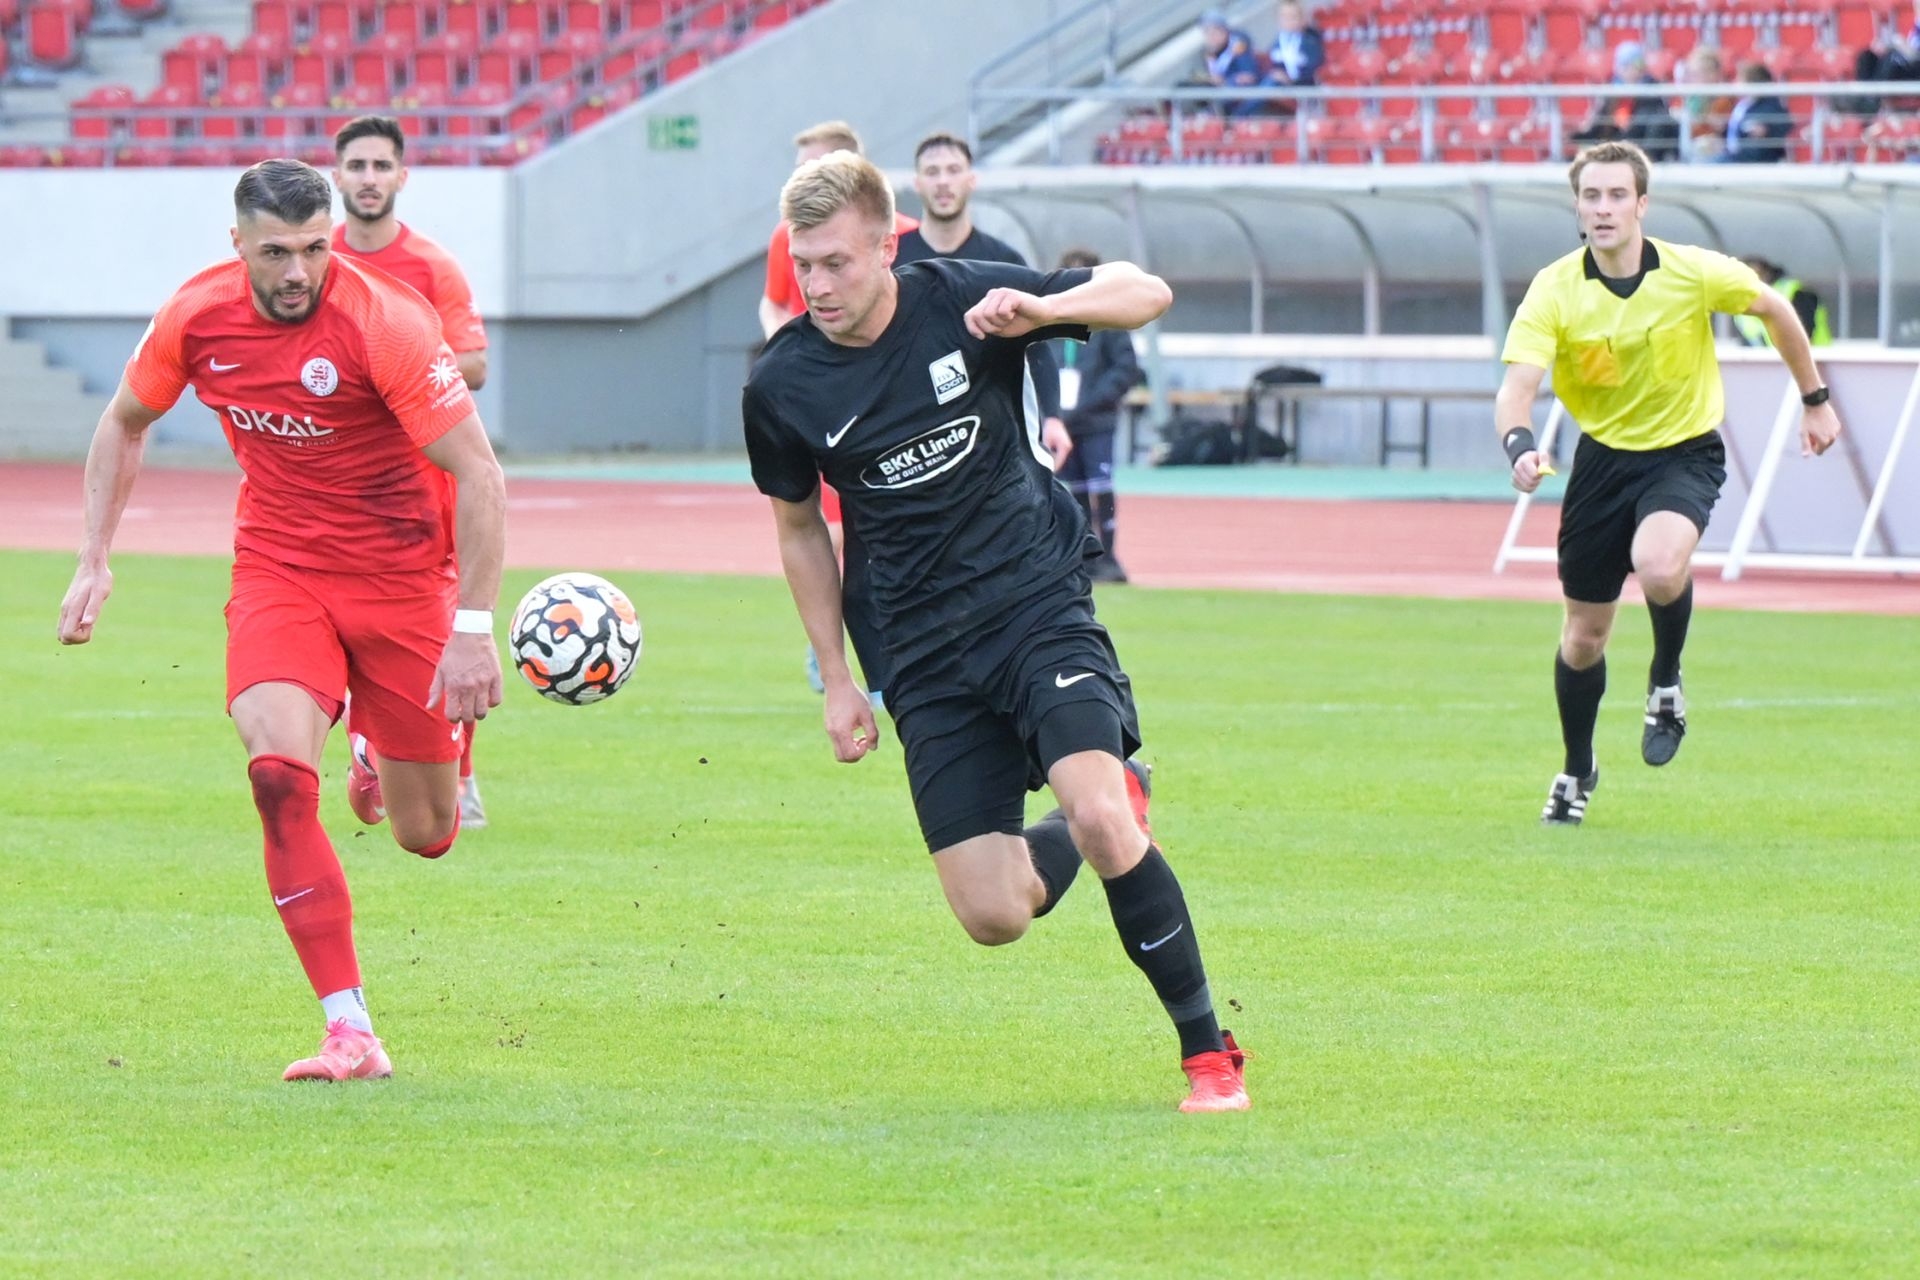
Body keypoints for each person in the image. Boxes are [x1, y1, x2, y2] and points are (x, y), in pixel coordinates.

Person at [743, 151, 1247, 1112]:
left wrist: (1045, 313)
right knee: (993, 913)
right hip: (919, 652)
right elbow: (799, 527)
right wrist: (838, 677)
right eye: (802, 264)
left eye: (836, 262)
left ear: (885, 246)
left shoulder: (965, 295)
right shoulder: (783, 384)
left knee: (1096, 817)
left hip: (1034, 605)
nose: (816, 285)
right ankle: (1121, 801)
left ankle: (1207, 1054)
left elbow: (1145, 292)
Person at [57, 158, 507, 1078]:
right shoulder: (195, 314)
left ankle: (390, 749)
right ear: (239, 246)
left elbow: (480, 474)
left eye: (312, 247)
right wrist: (94, 558)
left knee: (426, 834)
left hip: (402, 578)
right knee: (274, 775)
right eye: (276, 252)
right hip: (281, 569)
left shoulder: (386, 321)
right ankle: (351, 1029)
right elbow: (123, 421)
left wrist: (471, 631)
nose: (298, 270)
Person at [1497, 141, 1841, 825]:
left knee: (1658, 565)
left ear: (1641, 204)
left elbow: (1775, 309)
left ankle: (1665, 682)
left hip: (1683, 452)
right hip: (1600, 462)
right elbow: (1517, 387)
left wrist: (1815, 398)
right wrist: (1521, 446)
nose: (1604, 209)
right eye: (1591, 196)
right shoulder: (1556, 287)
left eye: (1617, 195)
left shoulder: (1691, 271)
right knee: (1583, 637)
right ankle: (1577, 768)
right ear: (1577, 206)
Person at [329, 114, 495, 829]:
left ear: (402, 177)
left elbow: (476, 364)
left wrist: (389, 372)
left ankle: (459, 774)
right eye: (356, 166)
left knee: (449, 625)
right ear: (336, 176)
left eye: (380, 166)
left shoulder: (432, 267)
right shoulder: (312, 259)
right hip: (334, 486)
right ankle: (370, 739)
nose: (368, 178)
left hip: (427, 485)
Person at [760, 120, 912, 706]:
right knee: (828, 526)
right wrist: (787, 357)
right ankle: (834, 646)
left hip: (896, 402)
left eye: (817, 165)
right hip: (824, 403)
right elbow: (774, 302)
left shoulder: (903, 236)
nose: (816, 281)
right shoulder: (787, 237)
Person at [895, 131, 1071, 470]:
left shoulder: (1002, 262)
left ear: (971, 179)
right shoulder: (891, 259)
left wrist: (1053, 417)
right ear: (917, 183)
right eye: (932, 172)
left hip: (991, 434)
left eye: (953, 170)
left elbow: (1037, 345)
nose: (943, 182)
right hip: (909, 428)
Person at [1048, 247, 1143, 583]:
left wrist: (1093, 401)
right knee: (1072, 491)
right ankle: (1083, 554)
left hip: (1097, 420)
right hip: (1063, 424)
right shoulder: (1052, 320)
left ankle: (1110, 556)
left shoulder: (1109, 322)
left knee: (1101, 487)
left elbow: (1125, 367)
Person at [1570, 42, 1679, 162]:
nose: (1634, 70)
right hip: (1617, 145)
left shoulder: (1652, 91)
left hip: (1639, 149)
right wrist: (1578, 135)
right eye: (1627, 66)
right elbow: (1601, 124)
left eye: (1638, 65)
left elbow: (1646, 126)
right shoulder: (1612, 93)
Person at [1735, 257, 1833, 346]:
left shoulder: (1795, 293)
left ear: (1767, 274)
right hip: (1768, 363)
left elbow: (1804, 334)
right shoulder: (1741, 307)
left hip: (1816, 359)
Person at [1190, 9, 1262, 118]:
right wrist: (1209, 78)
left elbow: (1248, 76)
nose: (1210, 37)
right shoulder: (1206, 52)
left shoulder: (1239, 46)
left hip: (1235, 93)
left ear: (1224, 31)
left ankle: (1211, 117)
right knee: (1185, 87)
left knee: (1220, 93)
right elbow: (1196, 73)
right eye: (1206, 32)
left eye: (1214, 31)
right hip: (1215, 89)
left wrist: (1225, 80)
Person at [1713, 63, 1792, 163]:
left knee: (1710, 163)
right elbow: (1737, 132)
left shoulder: (1771, 106)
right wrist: (1723, 130)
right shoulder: (1743, 105)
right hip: (1734, 155)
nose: (1736, 84)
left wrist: (1767, 130)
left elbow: (1784, 126)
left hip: (1754, 160)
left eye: (1740, 80)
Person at [1260, 0, 1325, 109]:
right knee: (1268, 82)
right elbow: (1272, 65)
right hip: (1280, 85)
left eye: (1292, 17)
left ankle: (1237, 118)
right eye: (1284, 17)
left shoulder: (1310, 42)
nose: (1288, 21)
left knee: (1269, 84)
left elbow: (1315, 69)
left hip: (1303, 87)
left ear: (1302, 20)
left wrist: (1290, 80)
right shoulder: (1278, 42)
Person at [1679, 46, 1735, 162]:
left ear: (1713, 74)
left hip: (1716, 145)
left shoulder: (1723, 97)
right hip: (1691, 144)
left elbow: (1720, 126)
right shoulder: (1691, 98)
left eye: (1698, 74)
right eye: (1692, 74)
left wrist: (1702, 117)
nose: (1693, 79)